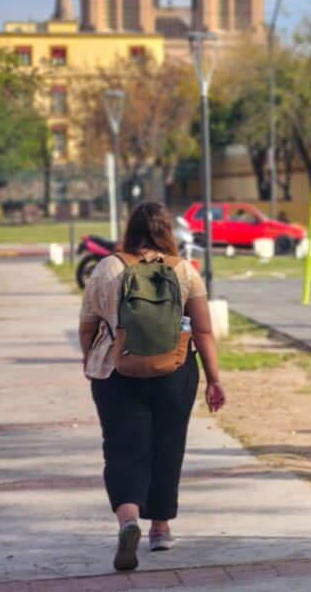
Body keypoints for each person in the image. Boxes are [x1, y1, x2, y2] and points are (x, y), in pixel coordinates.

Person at [78, 202, 226, 572]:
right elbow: (204, 329)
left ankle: (128, 520)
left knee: (122, 449)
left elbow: (87, 325)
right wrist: (214, 379)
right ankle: (160, 528)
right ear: (166, 232)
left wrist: (89, 360)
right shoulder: (184, 270)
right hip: (174, 372)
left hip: (116, 372)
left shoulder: (106, 267)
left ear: (130, 229)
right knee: (167, 446)